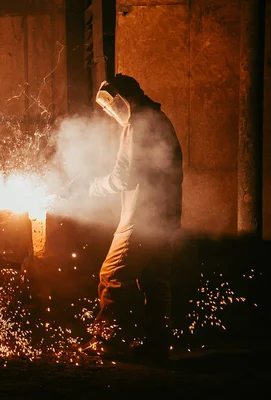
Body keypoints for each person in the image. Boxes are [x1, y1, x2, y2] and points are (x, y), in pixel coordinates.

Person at [81, 74, 183, 362]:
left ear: (126, 100)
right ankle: (158, 346)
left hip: (142, 219)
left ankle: (106, 342)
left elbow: (123, 177)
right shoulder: (159, 120)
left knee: (111, 276)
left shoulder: (138, 124)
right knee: (155, 280)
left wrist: (93, 187)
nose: (110, 112)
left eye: (111, 105)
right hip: (165, 219)